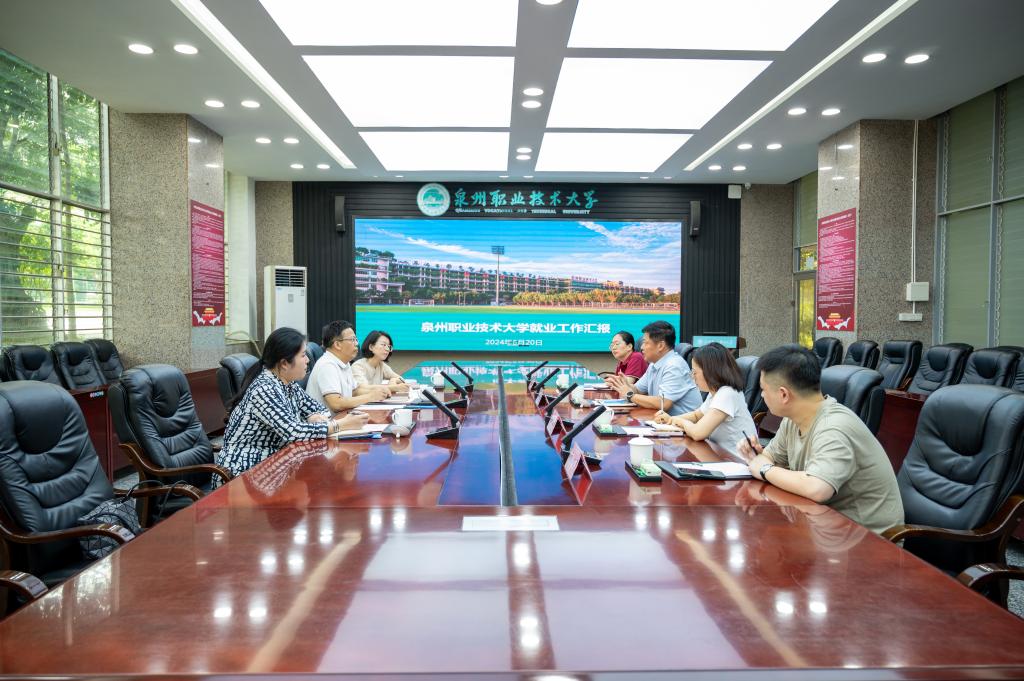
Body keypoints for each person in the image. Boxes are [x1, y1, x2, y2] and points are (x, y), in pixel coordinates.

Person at [737, 344, 904, 534]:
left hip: (868, 538)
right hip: (823, 525)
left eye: (763, 390)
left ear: (783, 394)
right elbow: (769, 458)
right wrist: (758, 458)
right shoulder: (793, 420)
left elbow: (817, 488)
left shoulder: (834, 426)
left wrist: (765, 469)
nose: (762, 395)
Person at [216, 327, 369, 481]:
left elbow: (321, 409)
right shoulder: (265, 389)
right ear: (284, 363)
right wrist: (340, 425)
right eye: (303, 355)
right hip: (245, 471)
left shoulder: (289, 384)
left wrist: (312, 416)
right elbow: (293, 432)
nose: (308, 360)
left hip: (276, 463)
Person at [654, 342, 756, 450]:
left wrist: (681, 422)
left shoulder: (727, 394)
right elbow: (697, 415)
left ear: (710, 371)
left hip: (737, 458)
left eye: (694, 372)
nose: (692, 377)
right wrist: (671, 419)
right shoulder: (715, 392)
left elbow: (698, 433)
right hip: (720, 454)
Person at [605, 320, 700, 416]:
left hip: (683, 422)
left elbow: (664, 403)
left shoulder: (674, 366)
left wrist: (630, 395)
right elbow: (638, 389)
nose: (642, 347)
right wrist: (623, 384)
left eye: (645, 343)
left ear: (660, 346)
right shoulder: (653, 364)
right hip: (662, 419)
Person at [306, 320, 391, 413]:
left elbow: (355, 391)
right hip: (328, 421)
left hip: (343, 417)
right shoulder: (327, 365)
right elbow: (336, 403)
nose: (357, 344)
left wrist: (378, 390)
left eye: (356, 339)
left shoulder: (344, 363)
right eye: (352, 340)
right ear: (337, 344)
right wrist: (370, 397)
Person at [352, 330, 409, 394]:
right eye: (383, 345)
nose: (387, 349)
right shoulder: (358, 366)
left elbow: (401, 379)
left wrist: (393, 380)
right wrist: (393, 387)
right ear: (371, 347)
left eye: (389, 346)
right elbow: (364, 388)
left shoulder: (381, 365)